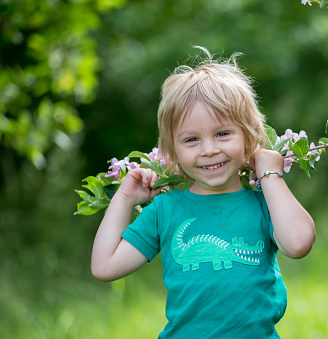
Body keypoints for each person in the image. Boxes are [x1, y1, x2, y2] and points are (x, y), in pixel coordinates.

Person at [91, 47, 316, 338]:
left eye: (223, 134)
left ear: (248, 137)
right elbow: (104, 266)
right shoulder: (165, 210)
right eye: (192, 139)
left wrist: (270, 174)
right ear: (173, 150)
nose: (209, 150)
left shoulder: (264, 204)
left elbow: (299, 244)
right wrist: (124, 199)